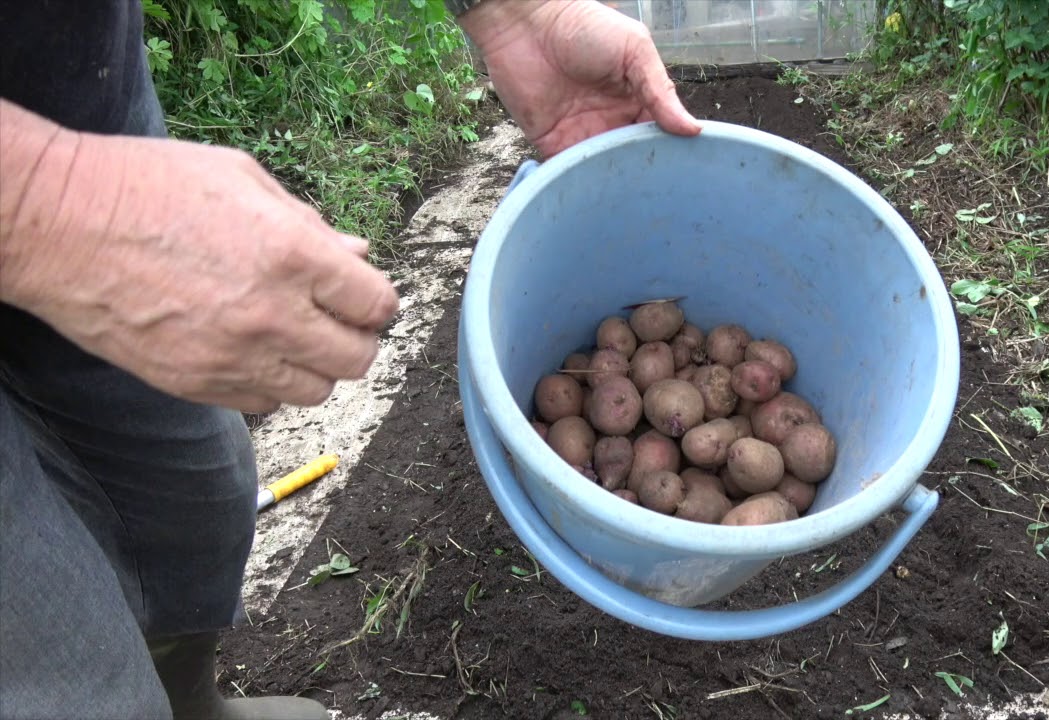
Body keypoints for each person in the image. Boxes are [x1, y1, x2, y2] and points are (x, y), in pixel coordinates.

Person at [0, 1, 701, 718]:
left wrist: (513, 12)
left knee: (186, 494)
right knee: (56, 657)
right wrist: (50, 205)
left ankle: (189, 704)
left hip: (70, 82)